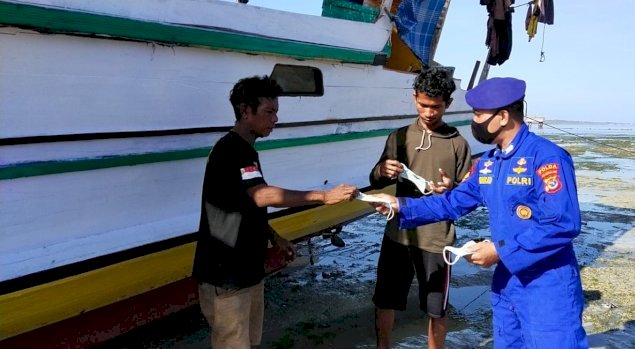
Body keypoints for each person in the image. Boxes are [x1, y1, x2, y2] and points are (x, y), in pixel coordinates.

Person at [370, 77, 588, 348]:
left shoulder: (547, 158)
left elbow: (562, 223)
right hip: (507, 282)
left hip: (547, 283)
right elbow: (451, 202)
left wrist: (499, 251)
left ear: (503, 116)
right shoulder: (488, 164)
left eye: (478, 114)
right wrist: (399, 206)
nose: (473, 121)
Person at [192, 76, 357, 349]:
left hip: (247, 273)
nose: (275, 119)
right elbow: (262, 195)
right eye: (269, 112)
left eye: (276, 112)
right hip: (226, 277)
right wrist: (323, 196)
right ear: (246, 111)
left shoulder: (245, 151)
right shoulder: (231, 150)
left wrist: (273, 236)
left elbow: (240, 203)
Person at [369, 68, 472, 349]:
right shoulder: (398, 137)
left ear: (448, 104)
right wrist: (381, 170)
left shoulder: (458, 144)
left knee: (436, 308)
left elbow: (468, 195)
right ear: (414, 98)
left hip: (437, 239)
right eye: (423, 105)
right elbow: (374, 179)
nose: (428, 112)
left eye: (436, 106)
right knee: (385, 300)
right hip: (398, 233)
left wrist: (451, 188)